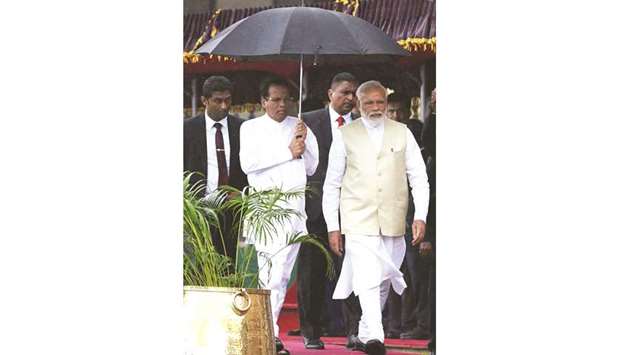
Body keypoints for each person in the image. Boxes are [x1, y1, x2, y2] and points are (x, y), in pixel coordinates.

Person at [323, 80, 430, 355]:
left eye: (379, 101)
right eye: (368, 102)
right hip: (357, 218)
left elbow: (419, 178)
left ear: (385, 103)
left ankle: (363, 330)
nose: (374, 107)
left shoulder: (402, 132)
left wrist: (421, 216)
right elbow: (331, 184)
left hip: (394, 219)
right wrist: (333, 227)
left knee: (383, 278)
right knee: (368, 276)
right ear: (358, 105)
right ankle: (377, 337)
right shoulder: (345, 135)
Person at [239, 77, 319, 355]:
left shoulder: (300, 127)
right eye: (275, 99)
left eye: (286, 99)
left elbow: (310, 168)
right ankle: (267, 333)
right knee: (270, 273)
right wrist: (287, 151)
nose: (281, 104)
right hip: (266, 211)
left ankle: (267, 332)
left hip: (294, 211)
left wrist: (303, 143)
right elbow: (248, 163)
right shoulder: (250, 128)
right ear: (263, 101)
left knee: (281, 274)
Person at [297, 72, 363, 350]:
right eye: (344, 93)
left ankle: (354, 331)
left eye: (353, 94)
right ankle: (311, 331)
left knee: (352, 270)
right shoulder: (307, 121)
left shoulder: (362, 126)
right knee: (311, 272)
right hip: (313, 209)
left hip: (352, 209)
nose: (350, 98)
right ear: (330, 93)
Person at [183, 75, 248, 262]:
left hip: (232, 209)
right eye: (218, 101)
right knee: (200, 266)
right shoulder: (187, 130)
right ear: (204, 101)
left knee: (229, 264)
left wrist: (242, 195)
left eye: (228, 100)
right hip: (199, 209)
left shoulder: (242, 128)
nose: (224, 106)